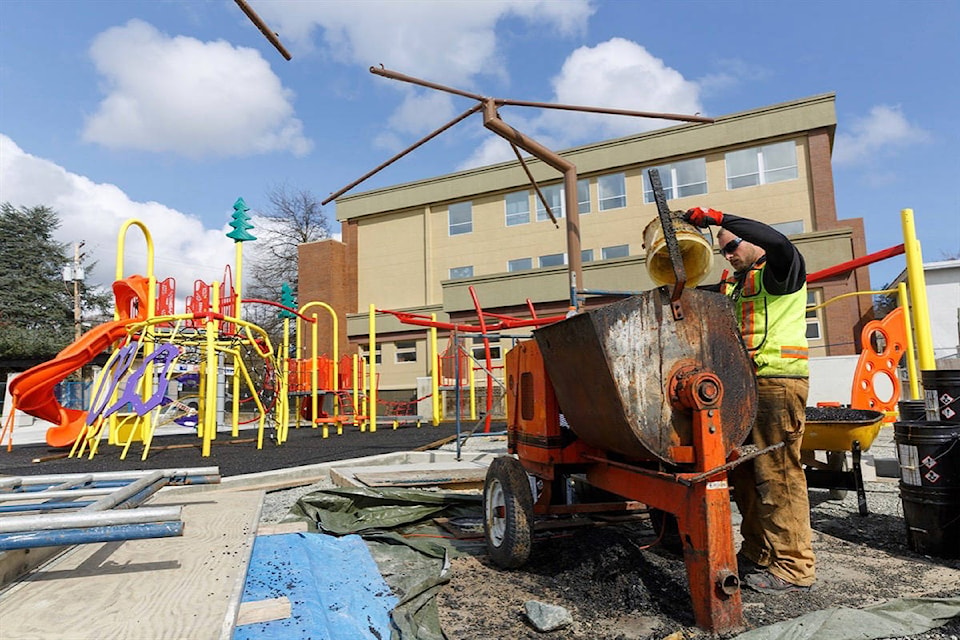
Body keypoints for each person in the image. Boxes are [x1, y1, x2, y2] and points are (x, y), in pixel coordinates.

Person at [683, 206, 816, 595]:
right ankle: (758, 554)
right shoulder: (737, 285)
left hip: (777, 383)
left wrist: (718, 218)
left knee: (778, 474)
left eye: (732, 247)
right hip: (744, 388)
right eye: (723, 251)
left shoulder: (782, 271)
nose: (728, 255)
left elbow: (777, 240)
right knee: (745, 475)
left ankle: (794, 566)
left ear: (754, 241)